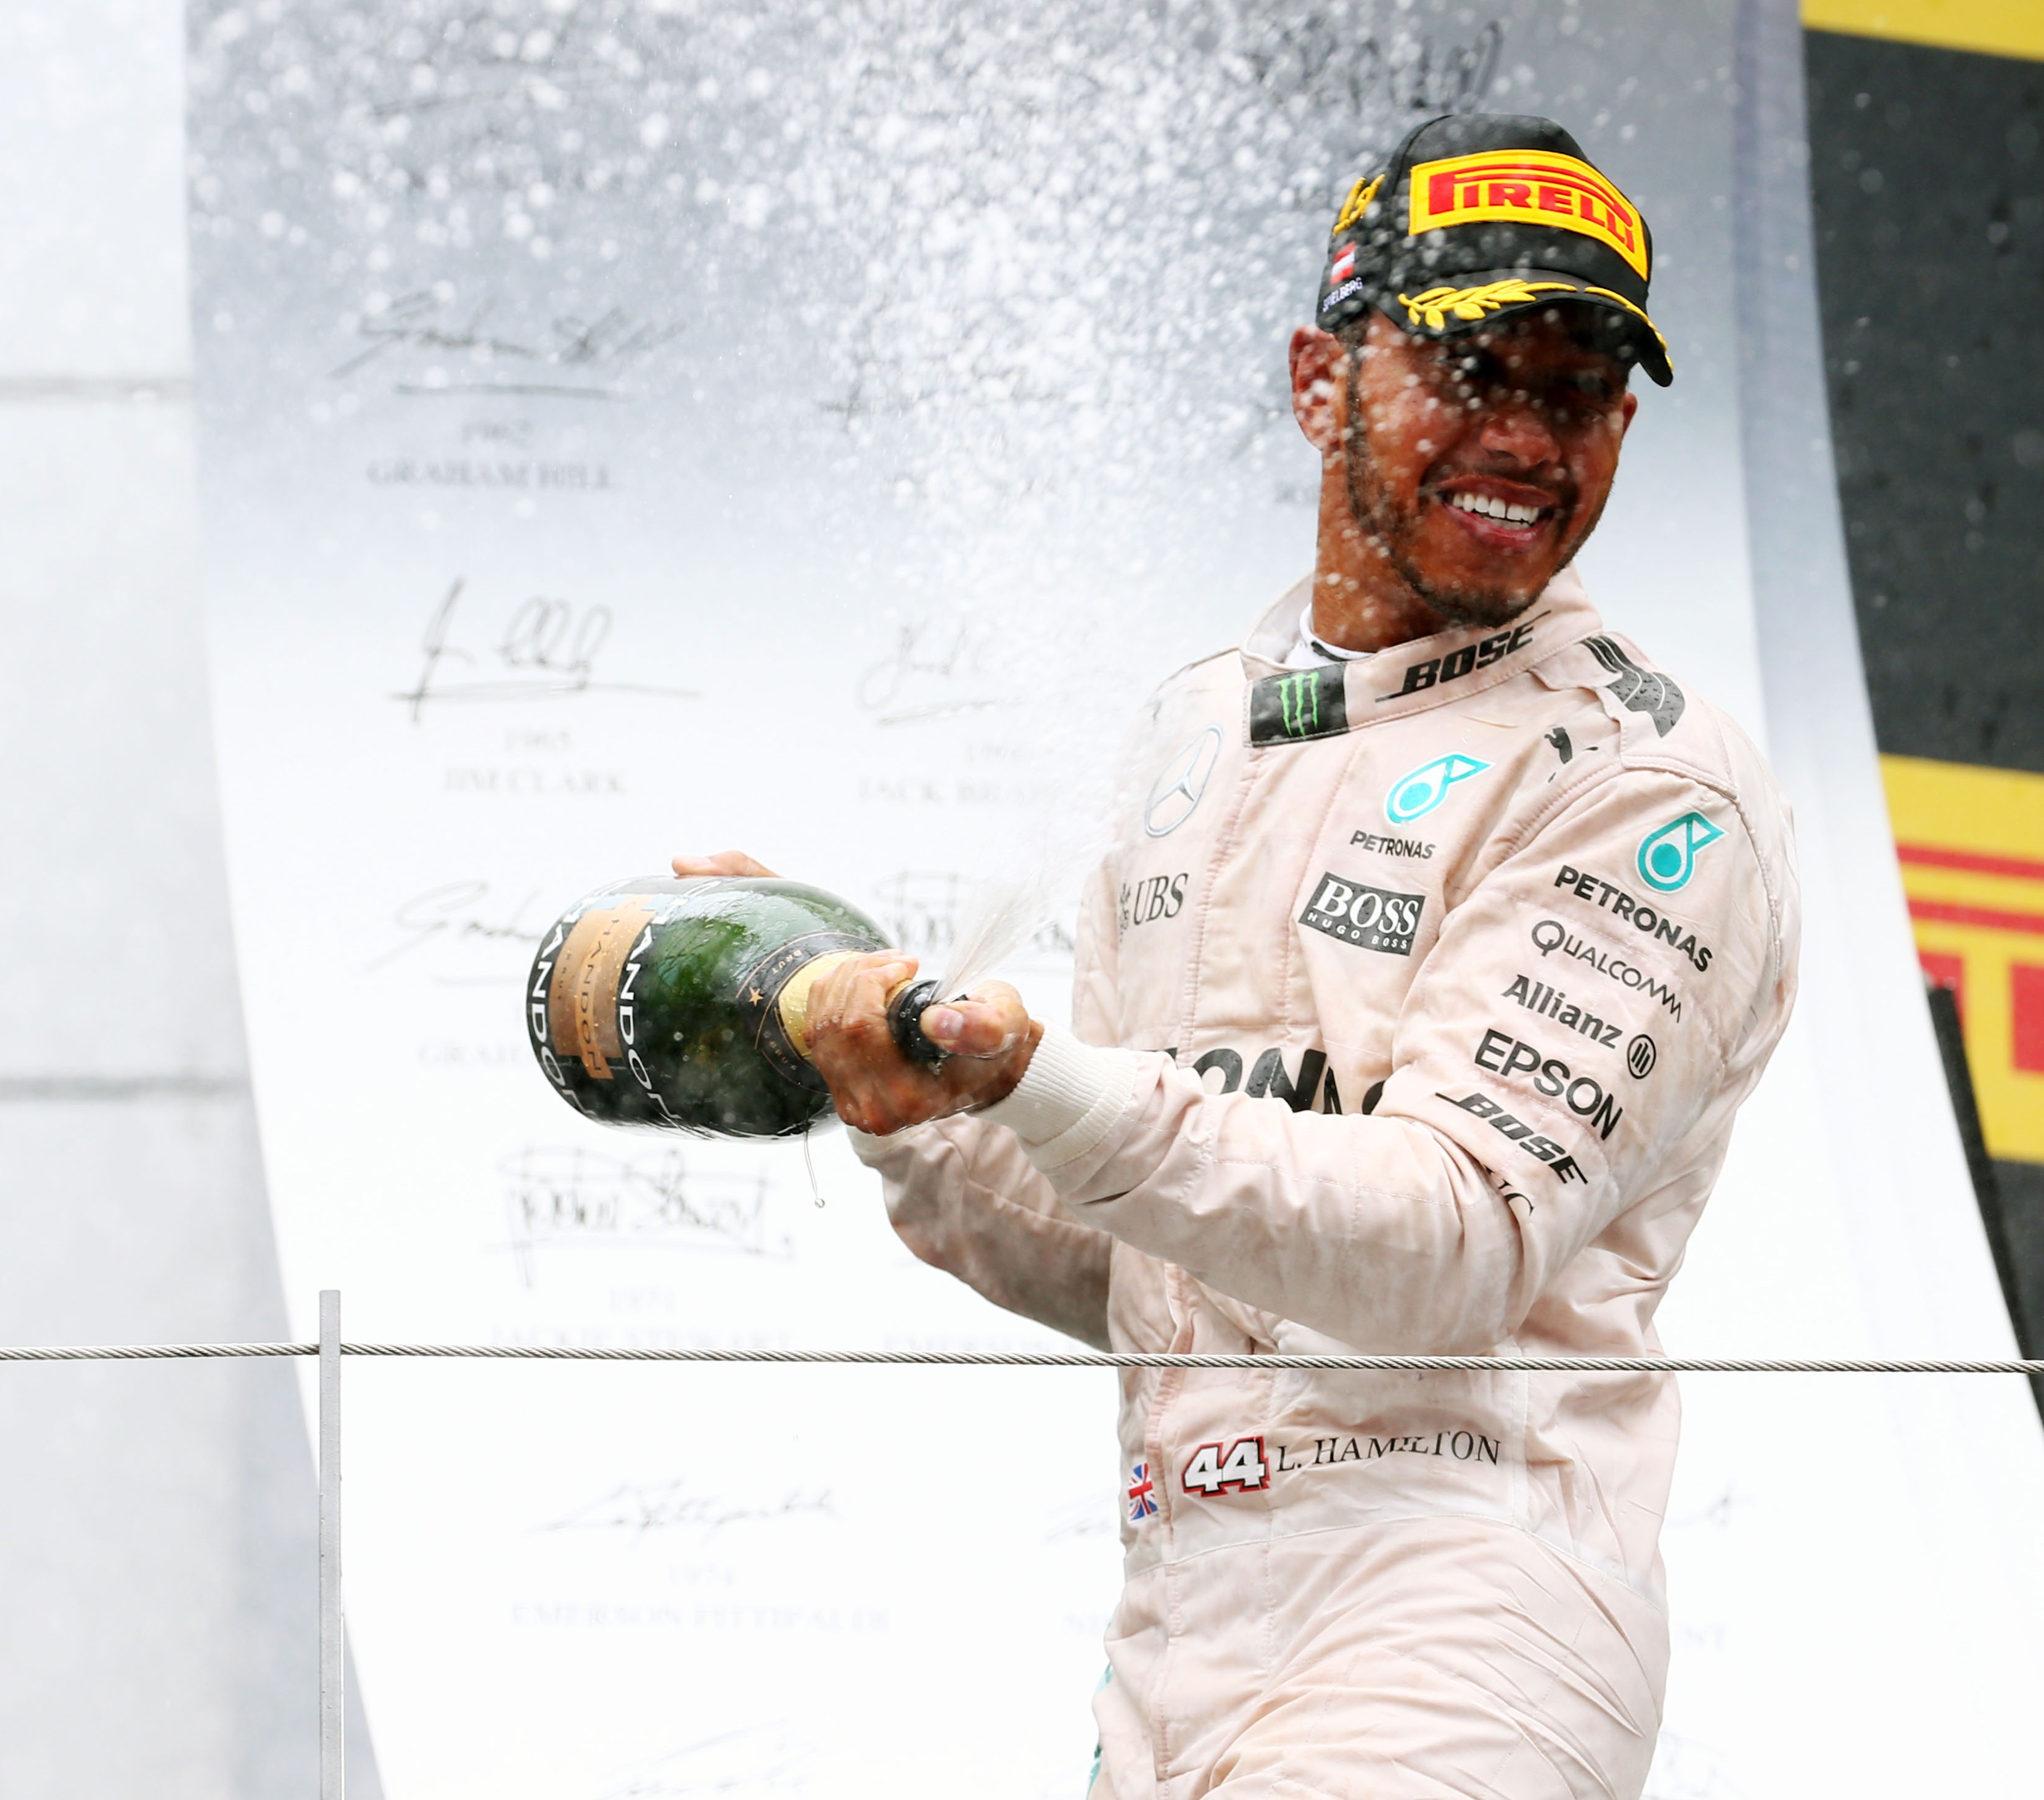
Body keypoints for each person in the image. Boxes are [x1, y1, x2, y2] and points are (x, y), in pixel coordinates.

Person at [682, 114, 1800, 1798]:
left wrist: (1030, 1069)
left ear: (1624, 426)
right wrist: (901, 1085)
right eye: (1472, 368)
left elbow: (1451, 1245)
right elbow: (1144, 1260)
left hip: (1467, 1610)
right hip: (1176, 1631)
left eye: (1577, 392)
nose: (1522, 437)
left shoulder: (1645, 780)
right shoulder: (1196, 729)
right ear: (1317, 380)